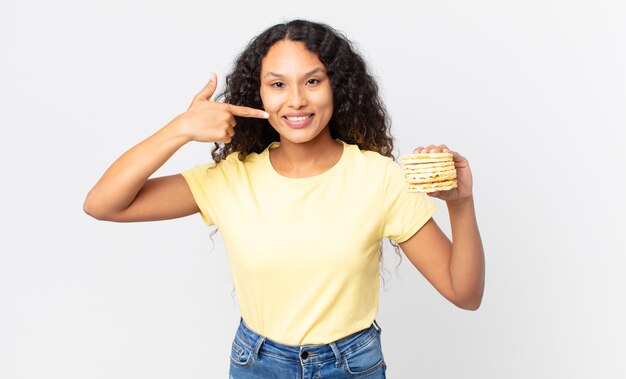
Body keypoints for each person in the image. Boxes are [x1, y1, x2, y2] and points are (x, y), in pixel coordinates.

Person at [84, 19, 484, 379]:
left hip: (350, 366)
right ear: (257, 94)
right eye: (278, 84)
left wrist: (460, 204)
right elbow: (103, 204)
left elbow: (464, 294)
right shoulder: (231, 178)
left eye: (312, 81)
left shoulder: (379, 178)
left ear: (337, 87)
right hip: (257, 365)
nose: (295, 100)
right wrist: (180, 129)